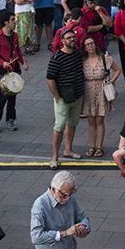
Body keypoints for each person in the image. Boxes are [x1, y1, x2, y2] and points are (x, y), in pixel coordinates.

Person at [44, 29, 85, 167]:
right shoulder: (57, 57)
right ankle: (54, 157)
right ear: (62, 41)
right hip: (63, 98)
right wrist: (56, 97)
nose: (72, 39)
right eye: (68, 38)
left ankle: (68, 150)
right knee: (59, 126)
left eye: (73, 37)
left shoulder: (78, 53)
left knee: (72, 123)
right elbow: (50, 79)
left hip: (77, 96)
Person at [78, 35, 118, 159]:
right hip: (88, 90)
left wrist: (110, 81)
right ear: (84, 48)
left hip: (101, 90)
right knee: (90, 121)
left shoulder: (104, 58)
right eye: (87, 44)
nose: (90, 46)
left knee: (99, 120)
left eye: (92, 43)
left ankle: (99, 147)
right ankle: (91, 146)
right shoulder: (82, 60)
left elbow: (117, 70)